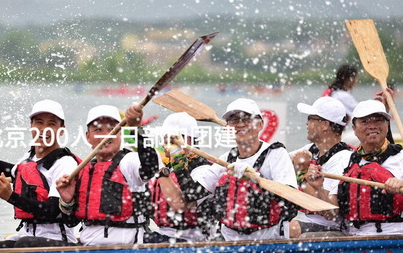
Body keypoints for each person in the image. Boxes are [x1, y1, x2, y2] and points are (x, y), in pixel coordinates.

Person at [0, 100, 81, 247]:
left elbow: (53, 210)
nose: (44, 129)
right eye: (39, 123)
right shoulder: (29, 157)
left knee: (23, 243)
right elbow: (12, 172)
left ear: (62, 130)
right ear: (31, 126)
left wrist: (11, 197)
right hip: (28, 235)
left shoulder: (65, 163)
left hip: (59, 240)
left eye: (51, 124)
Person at [190, 98, 299, 241]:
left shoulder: (276, 154)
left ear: (260, 125)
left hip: (269, 238)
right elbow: (191, 197)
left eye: (246, 119)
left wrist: (256, 180)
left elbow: (291, 200)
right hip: (230, 239)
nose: (240, 124)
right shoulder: (226, 159)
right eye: (234, 120)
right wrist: (181, 159)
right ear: (228, 127)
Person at [56, 104, 160, 245]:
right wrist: (67, 202)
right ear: (88, 137)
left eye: (112, 129)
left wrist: (135, 129)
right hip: (88, 250)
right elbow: (70, 222)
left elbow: (150, 166)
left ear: (121, 133)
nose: (106, 135)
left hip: (125, 250)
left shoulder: (130, 161)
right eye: (98, 130)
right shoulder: (83, 170)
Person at [306, 99, 403, 236]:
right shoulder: (348, 161)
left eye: (378, 120)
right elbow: (331, 214)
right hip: (352, 238)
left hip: (392, 236)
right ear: (354, 129)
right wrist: (319, 188)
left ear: (387, 125)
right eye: (365, 122)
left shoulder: (400, 157)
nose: (372, 126)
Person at [144, 112, 215, 243]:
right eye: (167, 138)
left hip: (194, 238)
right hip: (163, 233)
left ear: (192, 139)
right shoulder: (167, 166)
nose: (170, 142)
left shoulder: (205, 170)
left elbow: (181, 205)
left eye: (177, 138)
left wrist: (173, 159)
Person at [289, 97, 353, 236]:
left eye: (311, 118)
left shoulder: (343, 158)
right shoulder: (311, 149)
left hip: (329, 226)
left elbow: (329, 212)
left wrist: (302, 174)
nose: (307, 123)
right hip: (305, 219)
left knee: (287, 229)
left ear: (324, 125)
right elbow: (278, 160)